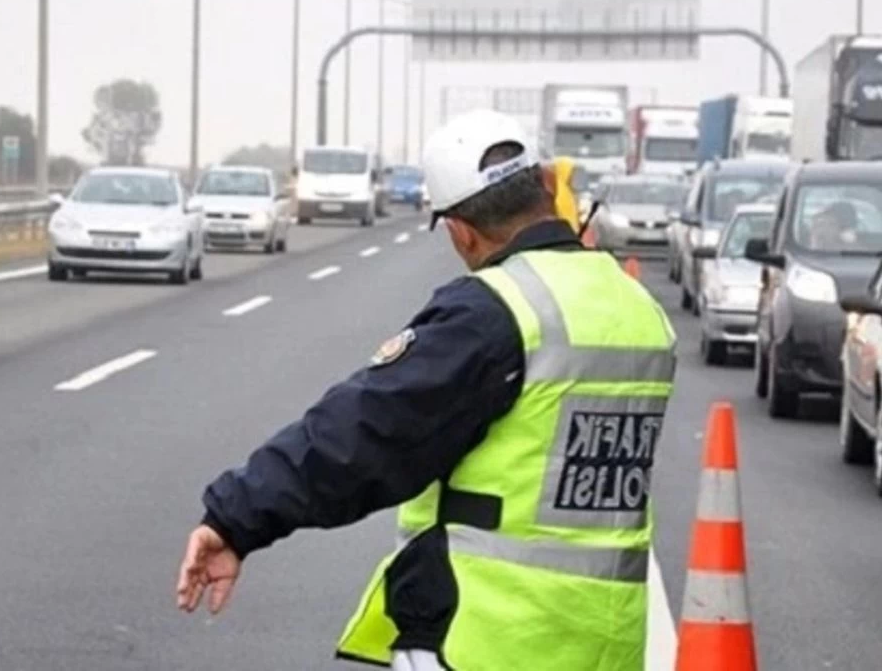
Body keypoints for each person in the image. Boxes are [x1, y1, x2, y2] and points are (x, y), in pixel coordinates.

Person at [175, 109, 678, 671]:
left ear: (461, 229)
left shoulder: (496, 311)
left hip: (486, 639)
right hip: (605, 643)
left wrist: (237, 517)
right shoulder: (636, 307)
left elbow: (366, 432)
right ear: (543, 187)